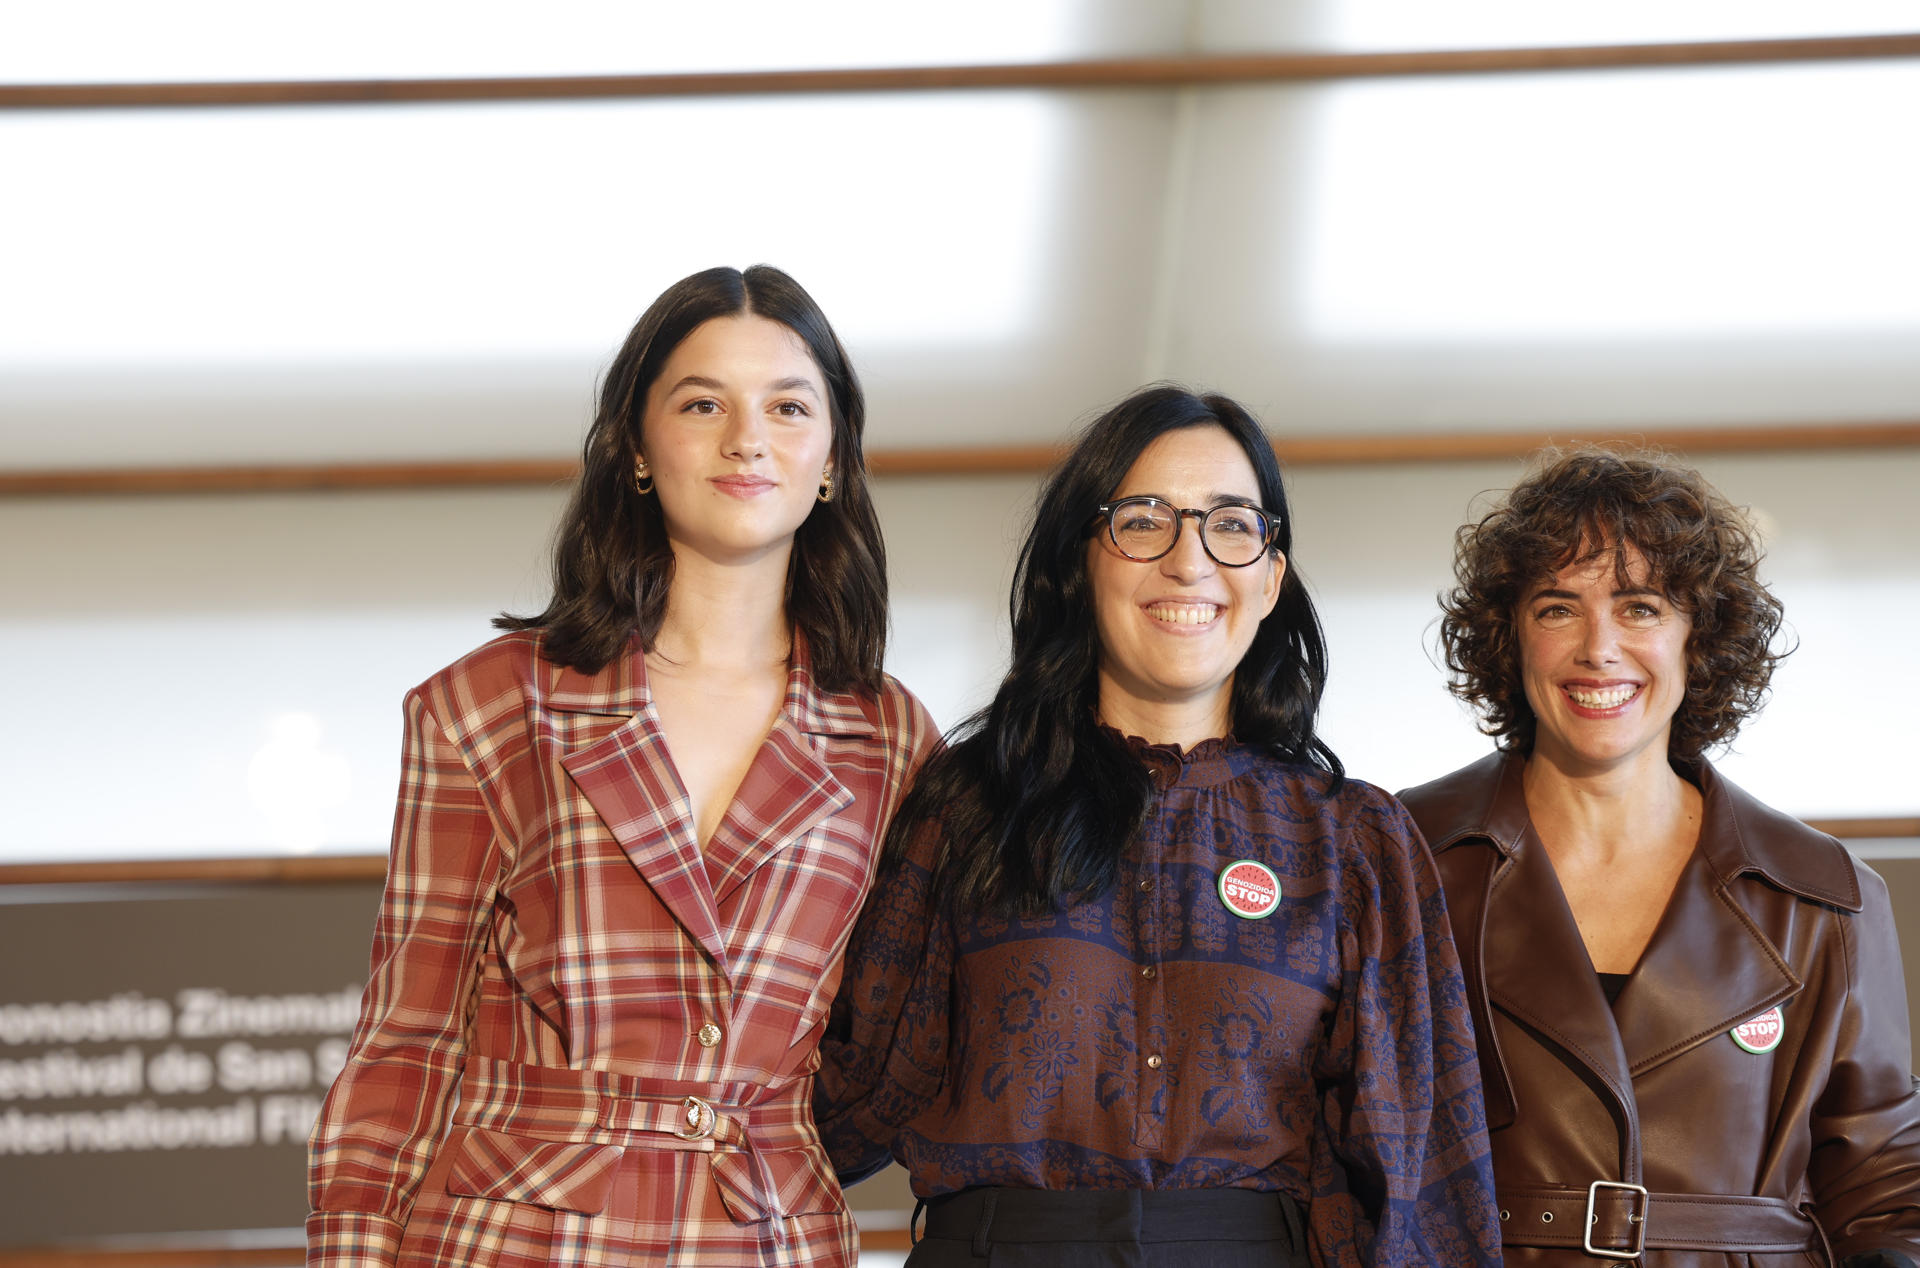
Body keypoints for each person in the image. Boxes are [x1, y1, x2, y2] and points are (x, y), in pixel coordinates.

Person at [306, 265, 938, 1267]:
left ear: (831, 459)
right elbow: (405, 1041)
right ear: (637, 448)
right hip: (515, 1231)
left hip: (764, 1233)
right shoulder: (492, 702)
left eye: (787, 404)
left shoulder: (893, 737)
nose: (747, 437)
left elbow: (893, 1051)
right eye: (702, 402)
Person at [814, 386, 1502, 1267]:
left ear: (1270, 577)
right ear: (1081, 560)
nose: (1189, 561)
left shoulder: (1353, 839)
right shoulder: (966, 804)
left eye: (1230, 525)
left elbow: (1420, 1172)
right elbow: (856, 1089)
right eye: (1144, 521)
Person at [1399, 446, 1920, 1265]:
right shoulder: (1400, 857)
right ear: (1510, 635)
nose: (1598, 648)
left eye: (1640, 607)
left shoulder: (1826, 897)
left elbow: (1883, 1185)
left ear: (1698, 638)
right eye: (1557, 608)